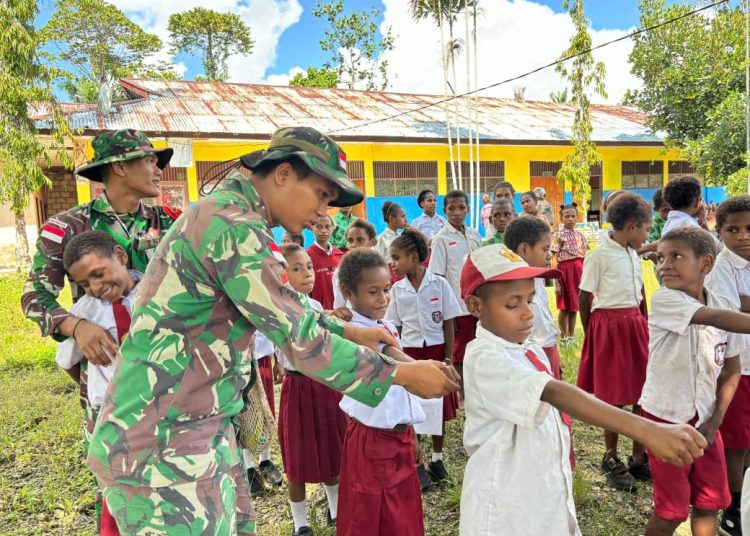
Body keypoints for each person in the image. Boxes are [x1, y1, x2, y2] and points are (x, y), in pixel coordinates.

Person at [85, 126, 459, 535]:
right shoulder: (232, 226)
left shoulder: (234, 217)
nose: (324, 212)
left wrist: (350, 331)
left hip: (192, 428)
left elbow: (284, 308)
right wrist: (402, 375)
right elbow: (300, 341)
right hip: (162, 442)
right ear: (283, 174)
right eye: (322, 195)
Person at [458, 243, 708, 536]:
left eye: (531, 299)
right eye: (513, 305)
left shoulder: (528, 351)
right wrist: (647, 430)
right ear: (475, 306)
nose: (528, 313)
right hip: (504, 509)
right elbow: (554, 392)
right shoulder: (483, 357)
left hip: (543, 497)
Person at [22, 128, 180, 359]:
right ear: (120, 166)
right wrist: (77, 328)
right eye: (149, 161)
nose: (159, 171)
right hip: (105, 362)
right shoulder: (68, 226)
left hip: (166, 358)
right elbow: (35, 296)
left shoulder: (172, 221)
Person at [641, 227, 747, 536]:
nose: (665, 265)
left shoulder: (724, 306)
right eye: (660, 258)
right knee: (671, 511)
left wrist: (715, 421)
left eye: (676, 256)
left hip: (704, 419)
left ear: (705, 264)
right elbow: (714, 319)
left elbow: (731, 370)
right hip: (665, 418)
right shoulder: (665, 300)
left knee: (709, 502)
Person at [55, 230, 141, 536]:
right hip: (109, 414)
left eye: (98, 274)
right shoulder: (84, 313)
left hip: (157, 409)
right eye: (84, 284)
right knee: (116, 486)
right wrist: (98, 391)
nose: (94, 287)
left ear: (119, 256)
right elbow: (67, 361)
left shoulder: (153, 295)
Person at [337, 249, 427, 536]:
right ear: (348, 293)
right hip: (372, 438)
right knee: (371, 515)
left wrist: (411, 432)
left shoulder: (385, 326)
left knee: (401, 511)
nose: (383, 298)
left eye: (386, 289)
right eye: (373, 292)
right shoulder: (349, 332)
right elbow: (388, 358)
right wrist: (423, 369)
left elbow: (401, 391)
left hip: (398, 435)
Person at [578, 192, 651, 491]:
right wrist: (592, 332)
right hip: (609, 327)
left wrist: (644, 319)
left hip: (635, 324)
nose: (648, 234)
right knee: (615, 395)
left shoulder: (633, 252)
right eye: (646, 228)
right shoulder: (599, 255)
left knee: (642, 392)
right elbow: (585, 296)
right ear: (632, 226)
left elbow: (640, 290)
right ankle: (610, 454)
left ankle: (639, 455)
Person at [276, 244, 347, 535]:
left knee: (331, 449)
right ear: (281, 276)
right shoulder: (279, 310)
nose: (307, 273)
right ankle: (300, 524)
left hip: (324, 385)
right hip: (299, 387)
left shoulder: (316, 306)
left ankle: (335, 510)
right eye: (297, 268)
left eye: (308, 266)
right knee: (297, 456)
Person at [387, 229, 462, 488]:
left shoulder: (439, 284)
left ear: (414, 256)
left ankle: (437, 459)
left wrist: (449, 357)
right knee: (413, 405)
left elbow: (449, 322)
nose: (392, 263)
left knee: (437, 406)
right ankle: (416, 462)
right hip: (409, 353)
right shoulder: (397, 290)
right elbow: (393, 327)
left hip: (436, 351)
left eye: (397, 257)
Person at [705, 196, 750, 536]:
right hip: (738, 365)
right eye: (733, 230)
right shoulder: (721, 268)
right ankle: (733, 509)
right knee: (736, 441)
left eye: (749, 228)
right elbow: (729, 314)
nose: (743, 236)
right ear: (719, 232)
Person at [429, 190, 482, 398]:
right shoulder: (441, 239)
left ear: (468, 209)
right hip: (458, 306)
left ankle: (477, 388)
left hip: (478, 302)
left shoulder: (474, 234)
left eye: (461, 208)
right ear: (445, 210)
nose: (457, 213)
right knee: (460, 352)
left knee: (478, 346)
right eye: (452, 208)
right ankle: (462, 394)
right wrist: (445, 307)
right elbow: (437, 276)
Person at [504, 217, 561, 380]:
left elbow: (544, 314)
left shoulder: (537, 276)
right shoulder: (511, 285)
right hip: (531, 356)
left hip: (548, 348)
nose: (549, 255)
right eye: (545, 249)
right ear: (524, 249)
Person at [242, 331, 284, 498]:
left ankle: (264, 461)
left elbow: (270, 320)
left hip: (262, 355)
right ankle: (248, 468)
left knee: (267, 411)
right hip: (240, 356)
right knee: (243, 413)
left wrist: (277, 360)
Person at [550, 203, 588, 343]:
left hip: (578, 272)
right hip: (565, 273)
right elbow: (554, 259)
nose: (570, 219)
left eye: (573, 216)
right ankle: (564, 336)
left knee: (574, 306)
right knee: (564, 306)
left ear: (577, 218)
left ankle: (571, 336)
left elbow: (584, 257)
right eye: (567, 216)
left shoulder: (580, 236)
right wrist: (557, 283)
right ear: (561, 218)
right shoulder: (558, 235)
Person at [332, 218, 377, 309]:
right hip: (353, 320)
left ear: (372, 242)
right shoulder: (342, 272)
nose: (354, 245)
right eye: (350, 240)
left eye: (360, 240)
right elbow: (339, 306)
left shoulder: (379, 267)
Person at [662, 176, 719, 246]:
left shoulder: (668, 225)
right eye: (701, 199)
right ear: (696, 202)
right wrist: (704, 225)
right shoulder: (690, 227)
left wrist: (701, 223)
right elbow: (717, 248)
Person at [307, 214, 344, 310]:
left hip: (340, 311)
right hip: (320, 311)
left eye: (327, 227)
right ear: (312, 228)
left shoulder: (339, 255)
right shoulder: (307, 256)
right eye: (319, 226)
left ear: (332, 228)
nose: (323, 231)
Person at [375, 201, 408, 267]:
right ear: (392, 219)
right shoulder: (381, 238)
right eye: (403, 216)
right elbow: (377, 263)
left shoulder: (401, 236)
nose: (406, 220)